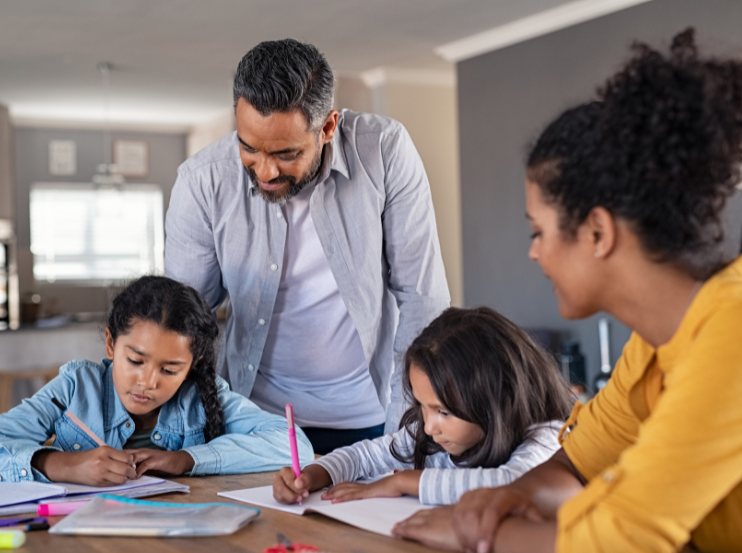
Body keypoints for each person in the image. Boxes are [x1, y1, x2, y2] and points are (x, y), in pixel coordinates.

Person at [392, 29, 742, 553]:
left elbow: (621, 538)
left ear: (598, 232)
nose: (534, 253)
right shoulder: (655, 342)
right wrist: (507, 499)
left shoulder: (729, 332)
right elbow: (579, 462)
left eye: (538, 231)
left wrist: (474, 534)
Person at [165, 39, 450, 453]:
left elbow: (424, 299)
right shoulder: (201, 181)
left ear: (328, 127)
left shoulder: (385, 151)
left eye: (285, 153)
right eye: (248, 147)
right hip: (255, 422)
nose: (264, 170)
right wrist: (185, 432)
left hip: (374, 417)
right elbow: (181, 320)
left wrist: (406, 430)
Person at [0, 276, 314, 485]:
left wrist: (187, 459)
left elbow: (293, 445)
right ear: (111, 344)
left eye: (170, 369)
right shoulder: (76, 387)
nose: (147, 381)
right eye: (136, 360)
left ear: (193, 364)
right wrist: (63, 465)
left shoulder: (204, 396)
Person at [272, 307, 573, 506]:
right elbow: (365, 455)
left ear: (498, 399)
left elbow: (514, 484)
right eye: (421, 405)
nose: (428, 427)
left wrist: (404, 481)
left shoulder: (547, 438)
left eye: (443, 411)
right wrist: (313, 475)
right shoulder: (431, 432)